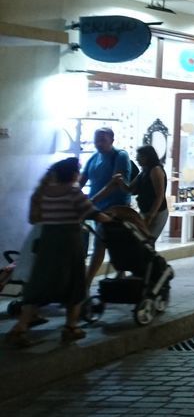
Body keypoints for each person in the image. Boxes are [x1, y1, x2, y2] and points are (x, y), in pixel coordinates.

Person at [6, 158, 114, 348]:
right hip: (69, 242)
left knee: (39, 285)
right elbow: (93, 213)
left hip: (47, 243)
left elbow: (36, 218)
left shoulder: (45, 193)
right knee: (74, 284)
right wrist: (111, 220)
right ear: (73, 175)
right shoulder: (74, 193)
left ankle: (20, 328)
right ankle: (70, 327)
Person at [81, 127, 133, 286]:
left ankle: (87, 283)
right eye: (96, 140)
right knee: (107, 242)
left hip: (115, 208)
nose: (98, 143)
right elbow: (82, 180)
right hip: (97, 208)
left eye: (102, 140)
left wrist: (94, 200)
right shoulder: (93, 158)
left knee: (102, 243)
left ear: (111, 139)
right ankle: (121, 274)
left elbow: (115, 183)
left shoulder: (120, 156)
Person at [125, 145, 169, 241]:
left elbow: (159, 196)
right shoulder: (143, 172)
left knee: (147, 242)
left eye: (140, 156)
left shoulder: (156, 170)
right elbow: (129, 189)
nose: (137, 159)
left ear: (148, 157)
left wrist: (151, 216)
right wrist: (118, 181)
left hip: (157, 213)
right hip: (145, 211)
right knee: (141, 241)